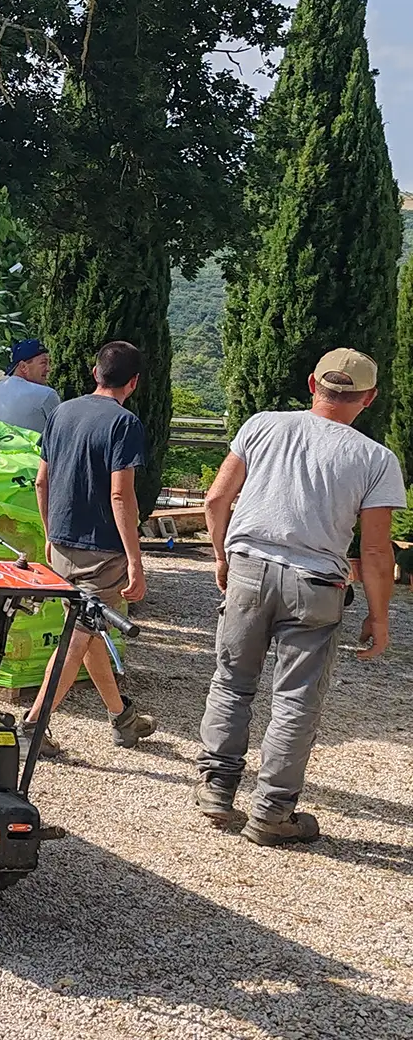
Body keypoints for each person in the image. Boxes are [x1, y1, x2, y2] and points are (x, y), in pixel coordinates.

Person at [194, 348, 402, 845]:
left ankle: (216, 789)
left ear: (312, 384)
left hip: (249, 569)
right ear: (368, 398)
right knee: (295, 702)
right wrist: (379, 616)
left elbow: (216, 499)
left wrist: (224, 558)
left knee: (231, 680)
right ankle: (271, 814)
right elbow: (374, 550)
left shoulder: (263, 424)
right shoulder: (376, 459)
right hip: (316, 584)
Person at [20, 340, 156, 755]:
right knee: (78, 638)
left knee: (88, 630)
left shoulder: (61, 412)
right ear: (132, 383)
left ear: (95, 373)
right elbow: (121, 496)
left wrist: (48, 532)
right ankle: (32, 727)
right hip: (102, 553)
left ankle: (123, 719)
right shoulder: (124, 424)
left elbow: (41, 481)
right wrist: (136, 560)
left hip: (61, 544)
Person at [0, 338, 60, 434]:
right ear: (23, 367)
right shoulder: (46, 394)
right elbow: (60, 436)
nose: (49, 369)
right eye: (43, 363)